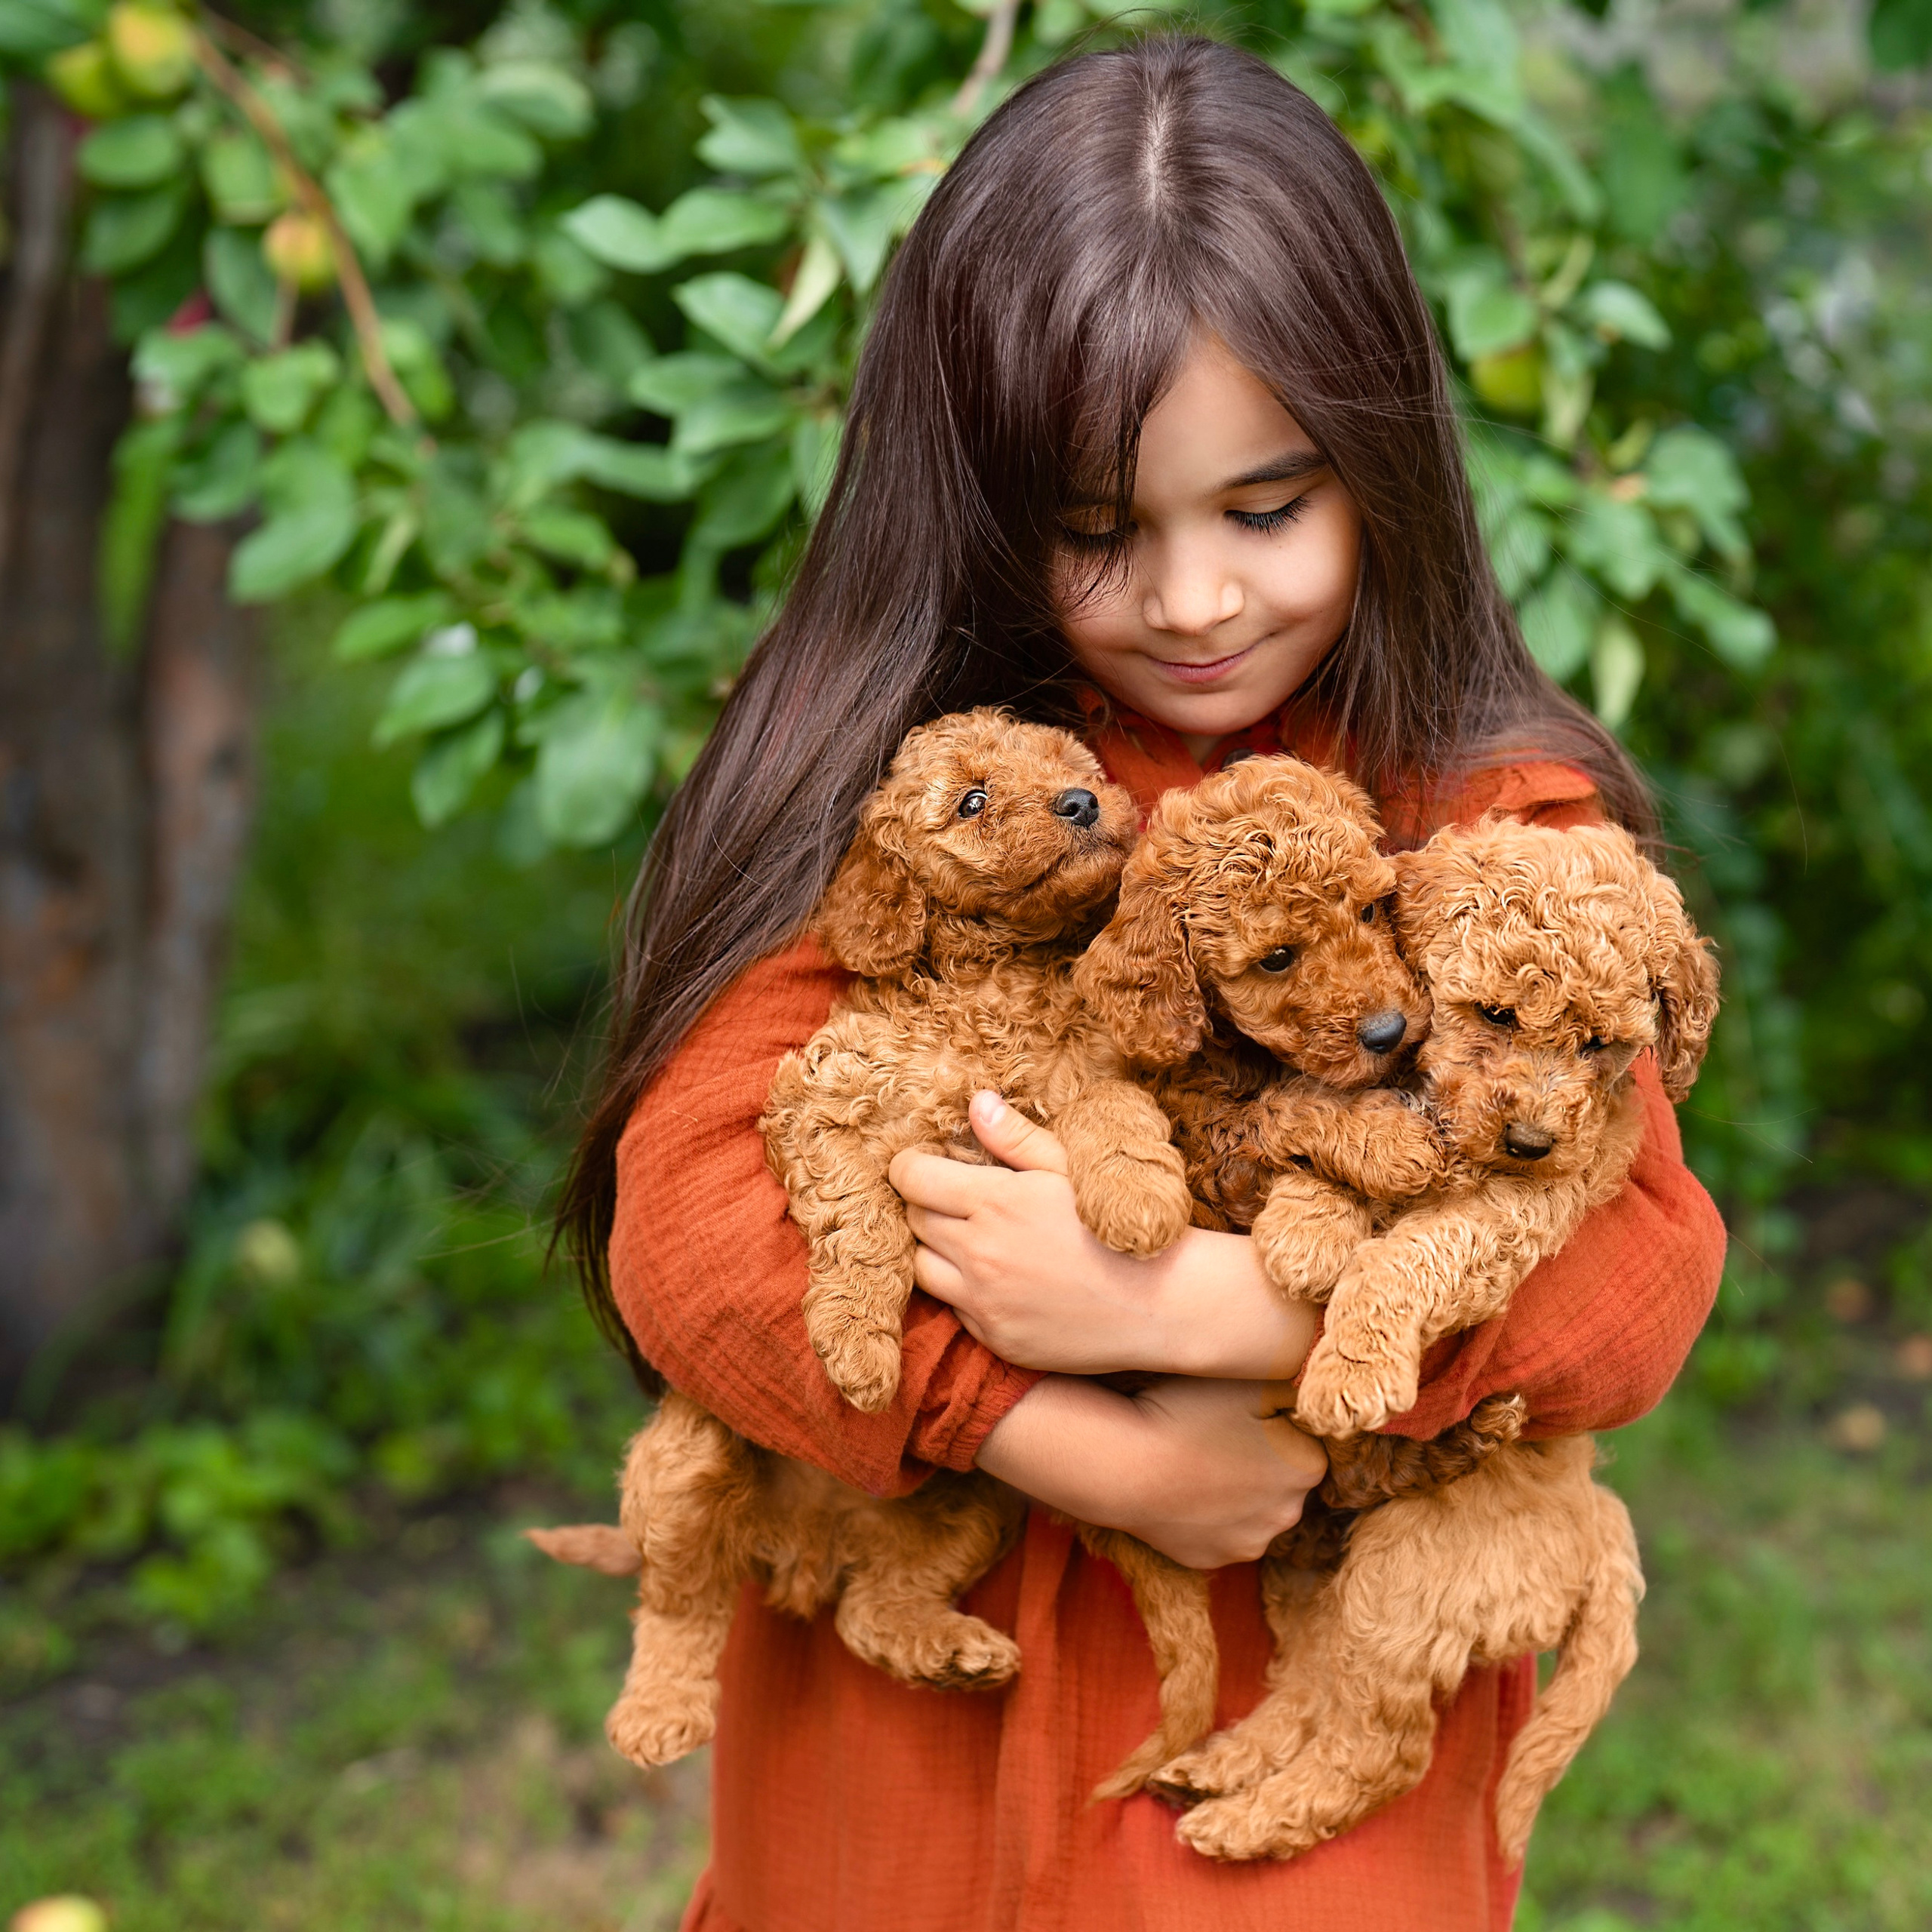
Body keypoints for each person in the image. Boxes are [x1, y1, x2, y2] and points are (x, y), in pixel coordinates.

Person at [557, 35, 1724, 1932]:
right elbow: (686, 1217)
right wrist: (1044, 1426)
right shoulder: (916, 790)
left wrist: (1226, 1313)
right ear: (974, 487)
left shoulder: (1479, 818)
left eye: (1264, 509)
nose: (1191, 600)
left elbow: (1637, 1267)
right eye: (1100, 529)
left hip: (1285, 1765)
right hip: (901, 1762)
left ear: (1384, 466)